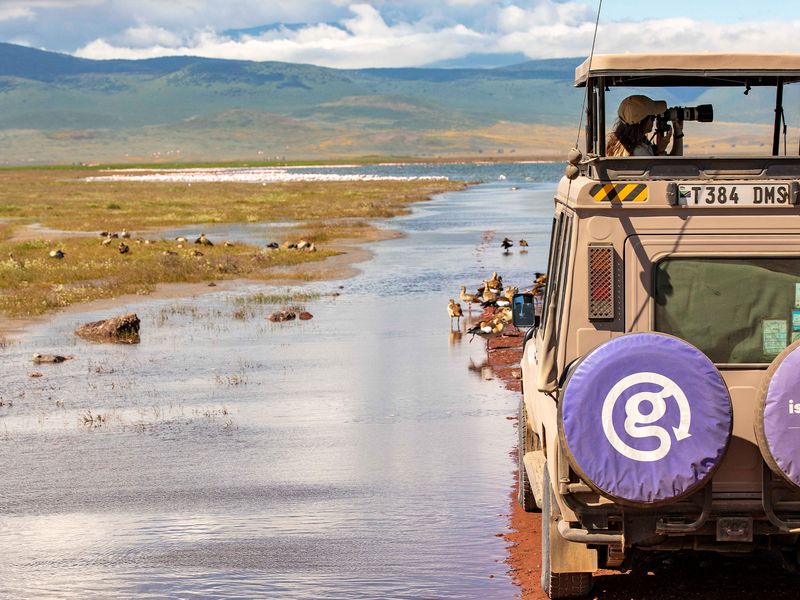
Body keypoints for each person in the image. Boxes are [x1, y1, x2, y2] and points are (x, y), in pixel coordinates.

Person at [606, 94, 683, 157]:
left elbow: (675, 162)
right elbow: (667, 170)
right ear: (641, 121)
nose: (655, 120)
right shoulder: (639, 152)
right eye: (652, 117)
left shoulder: (624, 144)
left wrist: (678, 133)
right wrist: (661, 151)